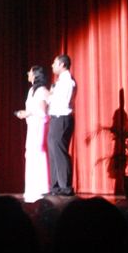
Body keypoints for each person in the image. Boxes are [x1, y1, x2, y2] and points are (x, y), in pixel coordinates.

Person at [14, 66, 51, 202]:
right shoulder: (31, 90)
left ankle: (42, 188)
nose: (27, 73)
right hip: (32, 125)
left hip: (40, 125)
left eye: (29, 72)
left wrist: (27, 113)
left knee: (38, 153)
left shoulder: (42, 90)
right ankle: (32, 189)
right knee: (30, 154)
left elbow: (42, 111)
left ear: (35, 75)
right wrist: (25, 113)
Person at [46, 54, 76, 196]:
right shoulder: (60, 82)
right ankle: (55, 187)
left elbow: (62, 102)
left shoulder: (67, 81)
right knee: (53, 152)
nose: (52, 65)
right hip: (55, 119)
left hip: (62, 118)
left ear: (62, 65)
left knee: (60, 152)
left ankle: (65, 187)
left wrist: (51, 96)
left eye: (55, 63)